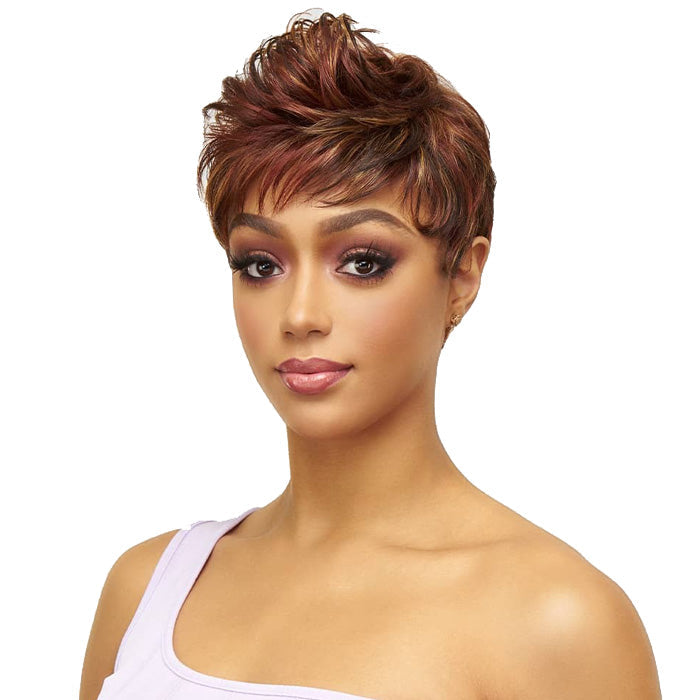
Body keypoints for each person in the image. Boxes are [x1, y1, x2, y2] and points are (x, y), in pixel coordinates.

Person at [80, 11, 662, 700]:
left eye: (361, 262)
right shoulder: (146, 591)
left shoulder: (557, 622)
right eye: (260, 264)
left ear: (462, 277)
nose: (300, 315)